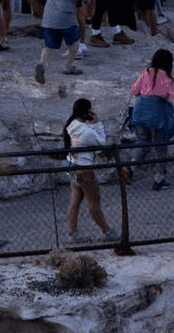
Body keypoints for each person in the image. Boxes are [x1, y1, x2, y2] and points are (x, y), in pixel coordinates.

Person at [130, 49, 174, 190]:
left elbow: (134, 91)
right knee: (161, 148)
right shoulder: (167, 78)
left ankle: (130, 168)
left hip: (139, 113)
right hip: (156, 117)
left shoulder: (145, 73)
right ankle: (159, 179)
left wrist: (147, 91)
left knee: (144, 144)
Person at [64, 98, 118, 242]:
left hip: (74, 168)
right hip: (86, 170)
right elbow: (101, 142)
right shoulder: (85, 131)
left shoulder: (72, 125)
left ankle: (72, 235)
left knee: (75, 202)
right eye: (90, 109)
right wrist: (97, 124)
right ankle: (107, 232)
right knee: (94, 202)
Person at [35, 0, 89, 83]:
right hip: (66, 18)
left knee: (48, 46)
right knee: (75, 42)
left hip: (49, 17)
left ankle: (42, 64)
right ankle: (68, 67)